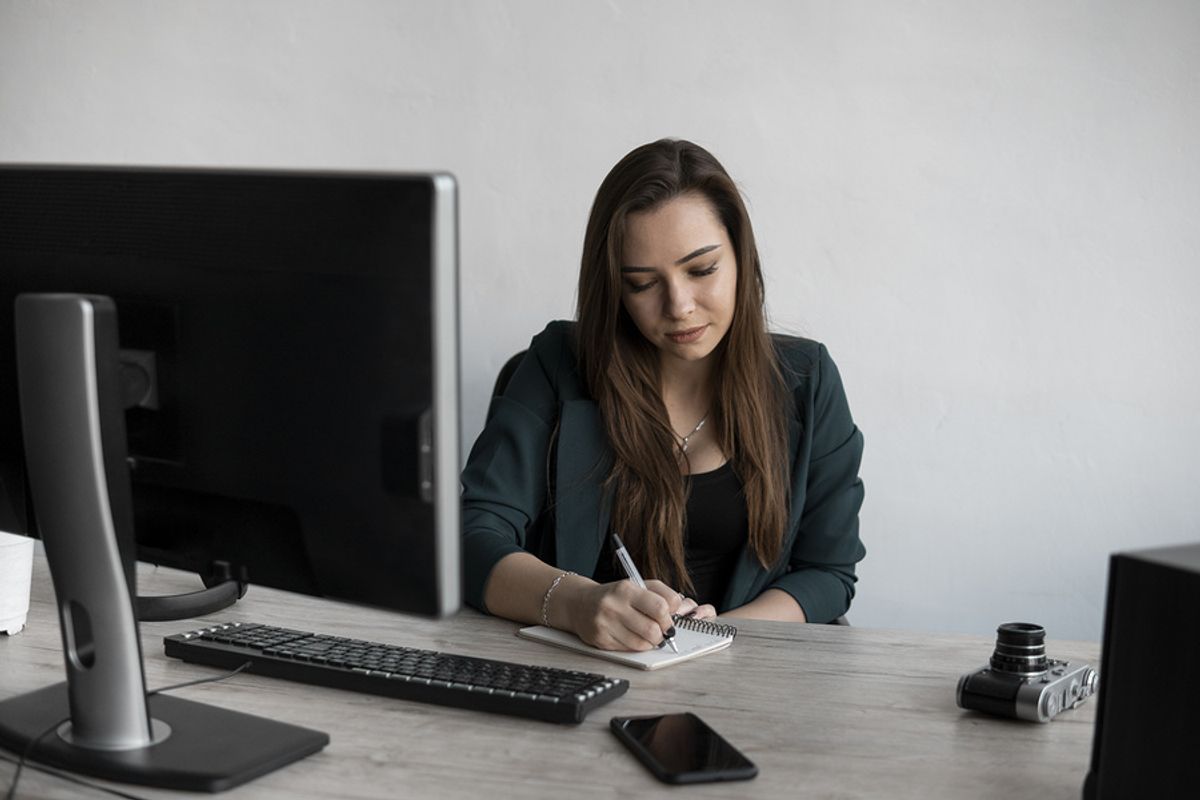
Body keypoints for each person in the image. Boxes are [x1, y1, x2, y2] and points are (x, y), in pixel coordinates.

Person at [461, 139, 865, 652]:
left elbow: (828, 573)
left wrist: (715, 639)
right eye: (642, 284)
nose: (678, 305)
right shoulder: (558, 363)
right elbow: (472, 535)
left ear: (741, 257)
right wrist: (577, 603)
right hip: (580, 668)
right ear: (614, 288)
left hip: (747, 671)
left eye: (701, 270)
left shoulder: (808, 380)